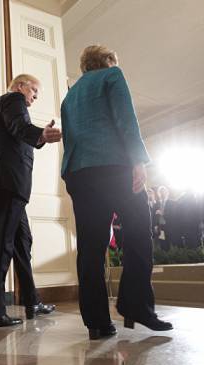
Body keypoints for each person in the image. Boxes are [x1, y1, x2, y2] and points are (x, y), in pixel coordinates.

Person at [60, 45, 172, 340]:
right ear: (108, 61)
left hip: (78, 173)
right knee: (137, 232)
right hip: (113, 166)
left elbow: (70, 137)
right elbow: (126, 118)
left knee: (90, 247)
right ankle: (136, 305)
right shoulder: (112, 75)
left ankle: (97, 322)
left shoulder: (70, 94)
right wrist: (138, 160)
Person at [0, 73, 60, 328]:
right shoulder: (13, 101)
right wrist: (41, 134)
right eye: (33, 89)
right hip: (9, 182)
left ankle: (31, 300)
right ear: (20, 86)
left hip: (1, 182)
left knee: (22, 241)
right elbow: (20, 128)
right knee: (3, 243)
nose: (35, 95)